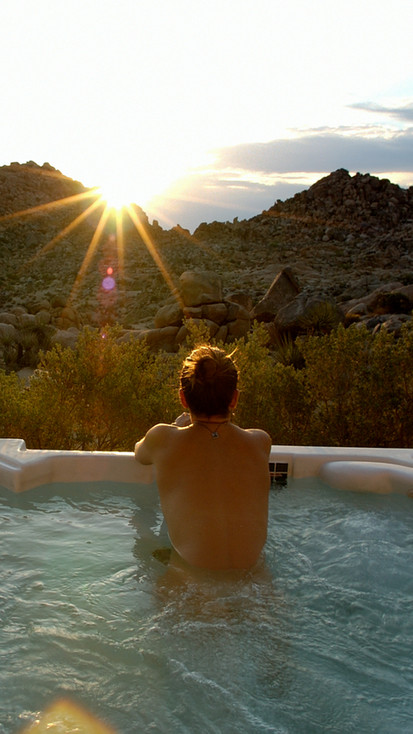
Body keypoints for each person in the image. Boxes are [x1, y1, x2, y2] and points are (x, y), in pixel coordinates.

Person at [134, 345, 272, 571]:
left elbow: (139, 453)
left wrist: (175, 428)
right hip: (257, 581)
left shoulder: (162, 438)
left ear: (183, 399)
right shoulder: (261, 442)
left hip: (190, 582)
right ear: (234, 399)